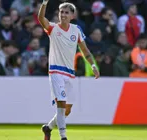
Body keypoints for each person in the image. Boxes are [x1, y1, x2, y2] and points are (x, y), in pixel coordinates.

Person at [38, 1, 100, 140]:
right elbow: (41, 19)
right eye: (61, 12)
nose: (63, 15)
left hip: (69, 73)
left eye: (67, 12)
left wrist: (93, 66)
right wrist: (44, 3)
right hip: (55, 71)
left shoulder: (76, 30)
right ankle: (63, 137)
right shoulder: (53, 28)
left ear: (72, 15)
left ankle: (48, 128)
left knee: (67, 109)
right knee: (61, 103)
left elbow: (85, 51)